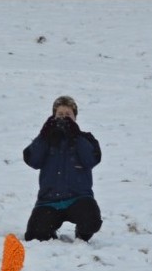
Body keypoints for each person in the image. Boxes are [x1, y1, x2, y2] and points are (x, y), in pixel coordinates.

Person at [23, 95, 103, 242]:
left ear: (75, 117)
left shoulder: (86, 138)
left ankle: (82, 235)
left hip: (79, 198)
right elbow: (33, 160)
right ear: (53, 117)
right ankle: (50, 232)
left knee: (91, 221)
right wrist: (43, 135)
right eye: (60, 114)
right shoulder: (46, 139)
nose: (64, 118)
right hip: (49, 201)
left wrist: (76, 136)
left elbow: (91, 160)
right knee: (34, 235)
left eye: (68, 114)